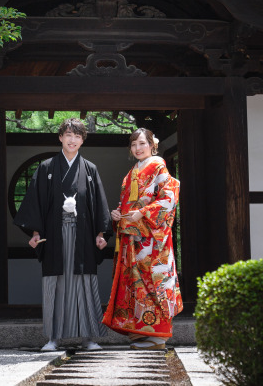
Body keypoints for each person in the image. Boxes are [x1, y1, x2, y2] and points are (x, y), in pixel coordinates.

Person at [13, 118, 112, 352]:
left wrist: (102, 233)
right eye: (68, 134)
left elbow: (99, 204)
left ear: (82, 140)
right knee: (54, 284)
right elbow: (35, 203)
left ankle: (88, 338)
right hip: (55, 235)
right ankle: (53, 338)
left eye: (77, 136)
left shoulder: (90, 169)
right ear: (60, 137)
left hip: (84, 235)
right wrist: (35, 231)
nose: (72, 139)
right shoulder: (47, 167)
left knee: (85, 283)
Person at [102, 128, 183, 350]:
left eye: (142, 143)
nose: (138, 148)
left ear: (152, 145)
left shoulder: (158, 165)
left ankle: (157, 336)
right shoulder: (131, 173)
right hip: (131, 237)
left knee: (152, 282)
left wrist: (144, 213)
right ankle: (140, 332)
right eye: (134, 145)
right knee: (135, 284)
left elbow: (169, 197)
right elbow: (129, 202)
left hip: (151, 239)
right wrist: (118, 214)